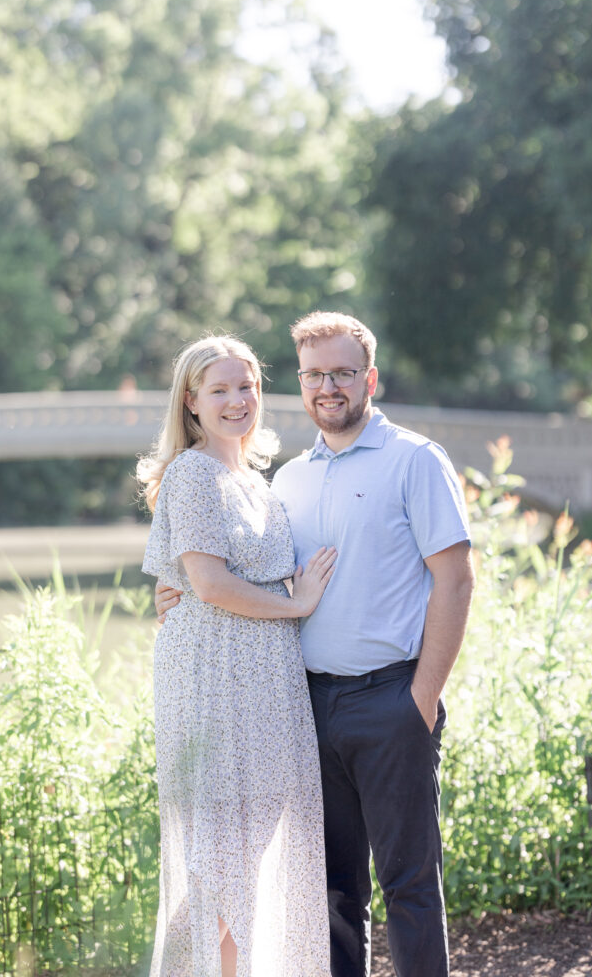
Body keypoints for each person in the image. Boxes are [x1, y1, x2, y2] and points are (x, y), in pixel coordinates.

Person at [156, 314, 475, 977]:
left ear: (369, 379)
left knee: (409, 889)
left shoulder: (413, 460)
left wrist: (421, 697)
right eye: (313, 374)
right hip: (301, 707)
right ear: (300, 384)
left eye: (341, 372)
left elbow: (454, 578)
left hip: (389, 700)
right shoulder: (288, 479)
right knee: (330, 894)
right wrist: (178, 593)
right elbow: (222, 570)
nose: (327, 386)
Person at [138, 335, 335, 977]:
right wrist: (297, 604)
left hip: (266, 681)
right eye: (218, 389)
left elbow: (203, 581)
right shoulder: (194, 473)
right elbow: (211, 585)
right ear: (191, 402)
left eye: (245, 386)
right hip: (215, 683)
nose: (235, 401)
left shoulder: (252, 478)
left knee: (245, 855)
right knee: (221, 857)